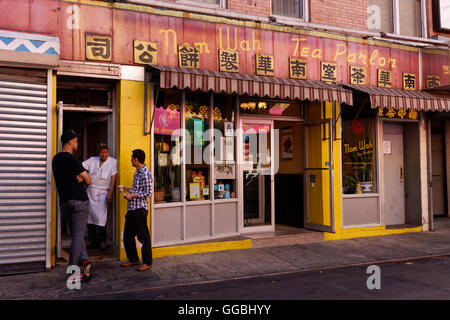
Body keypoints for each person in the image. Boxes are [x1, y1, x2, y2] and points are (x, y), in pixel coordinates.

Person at [52, 130, 93, 282]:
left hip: (65, 202)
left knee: (77, 233)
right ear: (69, 142)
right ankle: (73, 273)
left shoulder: (55, 160)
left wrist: (79, 175)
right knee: (77, 237)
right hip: (79, 202)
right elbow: (89, 181)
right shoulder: (73, 159)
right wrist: (82, 178)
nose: (77, 143)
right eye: (76, 141)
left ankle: (86, 262)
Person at [119, 149, 153, 271]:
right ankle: (133, 259)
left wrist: (132, 195)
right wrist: (127, 189)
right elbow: (137, 189)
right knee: (128, 236)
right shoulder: (137, 172)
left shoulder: (145, 173)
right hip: (132, 208)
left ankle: (147, 262)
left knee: (143, 237)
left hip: (140, 209)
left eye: (132, 158)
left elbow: (148, 193)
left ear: (136, 159)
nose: (131, 160)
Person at [82, 143, 117, 251]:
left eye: (106, 152)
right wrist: (81, 175)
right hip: (91, 191)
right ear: (98, 153)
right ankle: (92, 240)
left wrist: (110, 193)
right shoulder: (92, 160)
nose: (104, 154)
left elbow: (113, 178)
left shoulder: (113, 162)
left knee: (101, 218)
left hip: (103, 192)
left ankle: (102, 240)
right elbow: (80, 166)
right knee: (90, 217)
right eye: (102, 152)